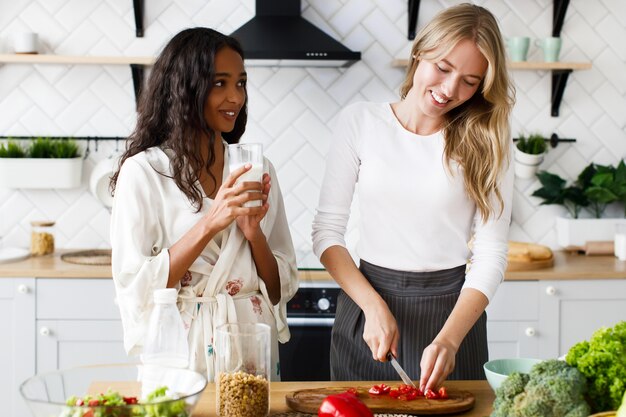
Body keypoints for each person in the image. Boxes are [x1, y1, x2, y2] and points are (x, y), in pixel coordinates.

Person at [312, 3, 515, 391]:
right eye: (443, 67)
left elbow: (491, 254)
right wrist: (371, 306)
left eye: (470, 81)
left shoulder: (488, 139)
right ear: (420, 53)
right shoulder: (361, 122)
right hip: (366, 310)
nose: (450, 90)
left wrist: (450, 338)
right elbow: (326, 233)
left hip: (453, 318)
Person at [110, 27, 298, 381]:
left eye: (240, 83)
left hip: (249, 346)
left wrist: (253, 233)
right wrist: (210, 222)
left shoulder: (255, 168)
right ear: (185, 88)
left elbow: (277, 289)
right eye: (219, 84)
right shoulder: (145, 173)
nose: (235, 98)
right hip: (181, 350)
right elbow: (135, 289)